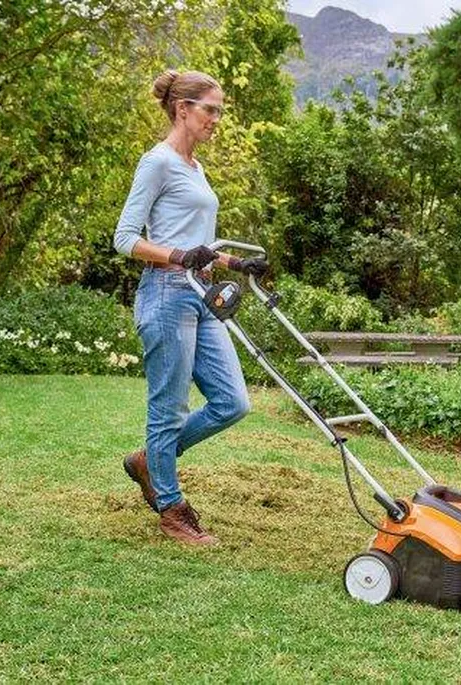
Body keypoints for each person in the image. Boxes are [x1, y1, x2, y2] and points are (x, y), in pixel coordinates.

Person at [113, 69, 267, 545]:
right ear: (183, 109)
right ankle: (171, 510)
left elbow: (199, 245)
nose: (216, 119)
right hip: (166, 294)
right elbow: (125, 239)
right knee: (168, 409)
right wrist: (179, 256)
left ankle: (150, 461)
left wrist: (234, 262)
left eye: (219, 111)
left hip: (202, 294)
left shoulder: (196, 168)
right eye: (210, 110)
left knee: (233, 402)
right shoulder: (157, 162)